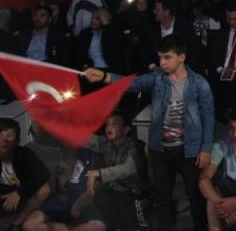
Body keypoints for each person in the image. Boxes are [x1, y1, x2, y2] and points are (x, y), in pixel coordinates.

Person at [84, 34, 214, 230]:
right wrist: (103, 76)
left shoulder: (199, 83)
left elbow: (208, 116)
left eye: (167, 57)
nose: (162, 62)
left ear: (182, 57)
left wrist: (205, 149)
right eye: (160, 57)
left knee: (194, 194)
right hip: (160, 148)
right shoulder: (158, 79)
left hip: (189, 148)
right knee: (162, 194)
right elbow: (132, 83)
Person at [0, 119, 51, 231]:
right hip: (1, 196)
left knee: (44, 189)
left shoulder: (25, 154)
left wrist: (19, 193)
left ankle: (16, 223)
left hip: (24, 197)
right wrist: (12, 193)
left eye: (9, 136)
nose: (4, 141)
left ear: (17, 140)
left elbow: (43, 174)